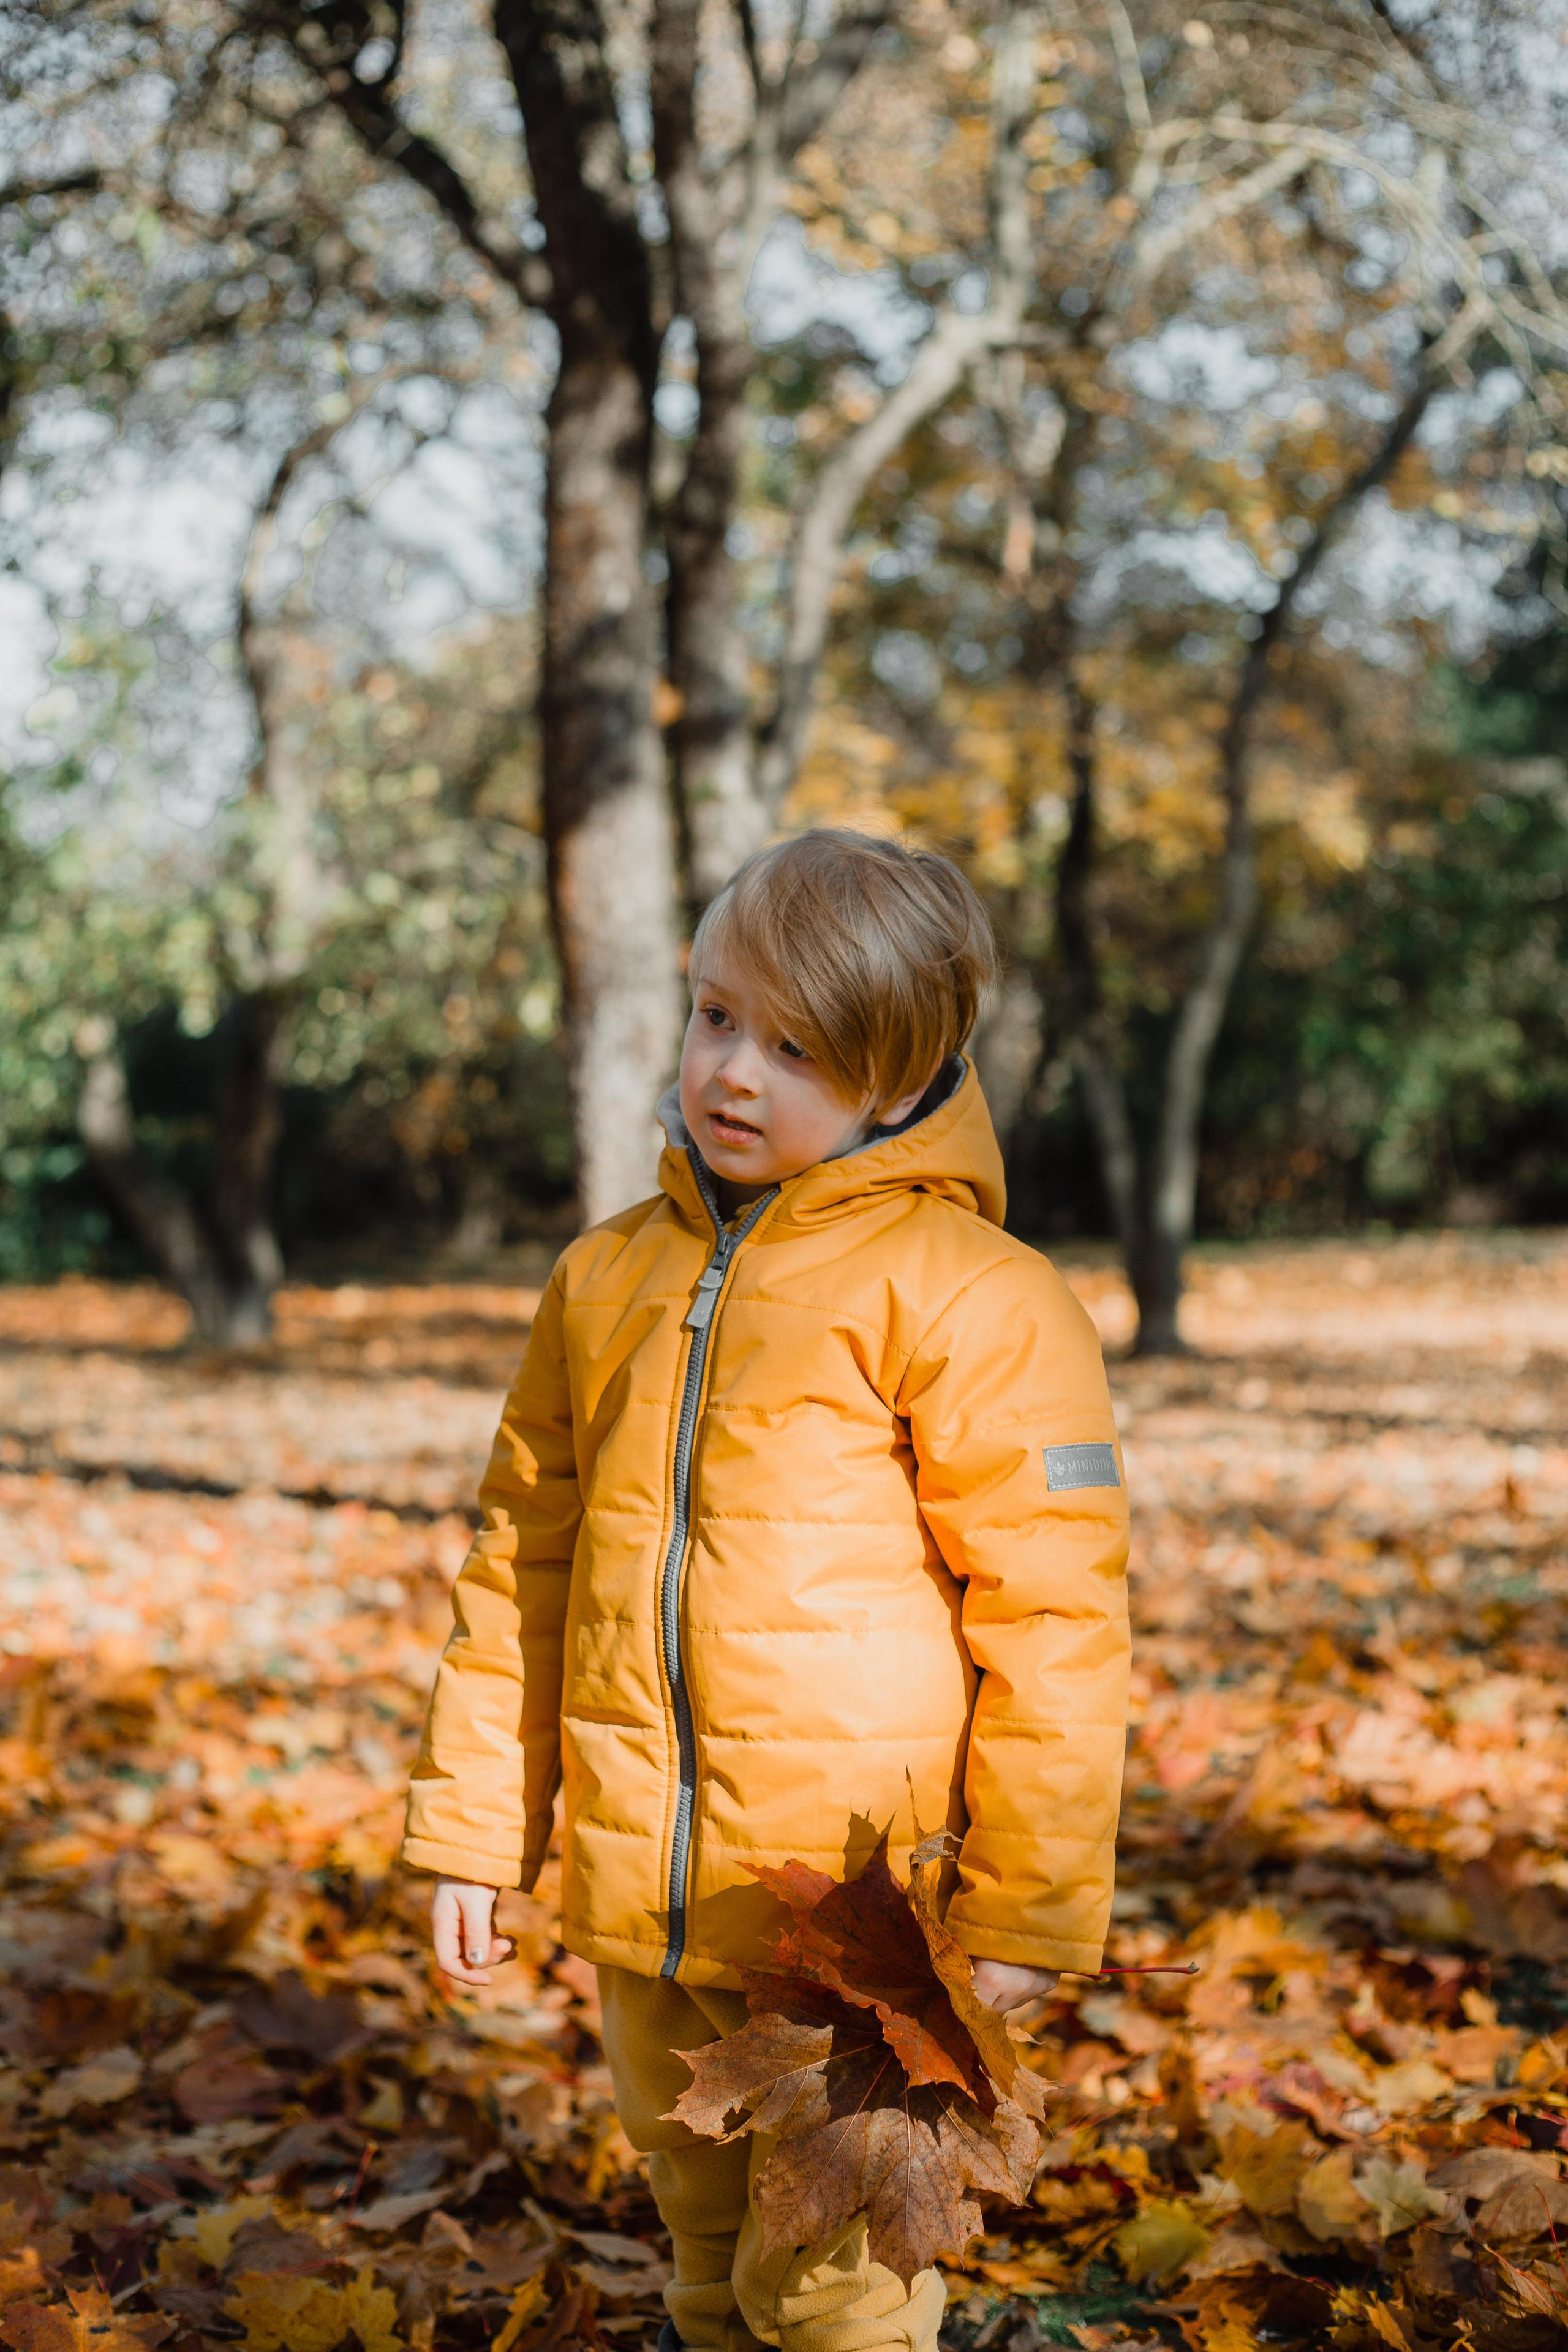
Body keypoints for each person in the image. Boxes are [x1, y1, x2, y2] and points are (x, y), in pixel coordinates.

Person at [401, 829, 1131, 2352]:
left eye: (797, 1047)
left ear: (900, 1073)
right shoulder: (601, 1282)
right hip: (646, 1898)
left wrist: (1028, 1909)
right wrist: (477, 1826)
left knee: (833, 2302)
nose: (732, 1071)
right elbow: (518, 1564)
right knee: (706, 2256)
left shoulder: (976, 1297)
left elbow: (1056, 1625)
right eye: (715, 1014)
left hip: (857, 1931)